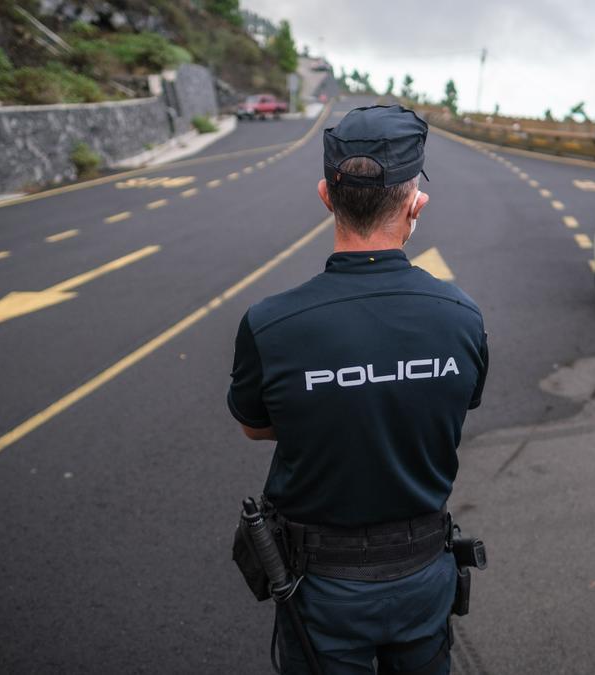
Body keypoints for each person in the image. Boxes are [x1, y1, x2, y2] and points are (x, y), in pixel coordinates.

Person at [227, 104, 490, 674]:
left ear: (327, 194)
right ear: (416, 202)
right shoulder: (462, 317)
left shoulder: (270, 323)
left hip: (319, 587)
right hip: (425, 573)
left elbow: (254, 424)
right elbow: (454, 404)